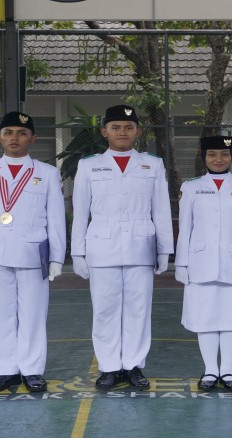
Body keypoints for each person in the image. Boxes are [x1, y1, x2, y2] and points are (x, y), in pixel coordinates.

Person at [71, 104, 173, 391]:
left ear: (138, 132)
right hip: (102, 245)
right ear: (104, 132)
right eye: (115, 127)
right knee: (105, 309)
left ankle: (133, 366)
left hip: (141, 244)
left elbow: (161, 209)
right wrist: (77, 251)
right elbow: (80, 211)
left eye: (129, 127)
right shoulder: (89, 165)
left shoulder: (152, 164)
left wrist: (164, 249)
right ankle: (109, 367)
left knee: (138, 310)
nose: (122, 132)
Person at [0, 112, 66, 393]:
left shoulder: (47, 173)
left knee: (33, 315)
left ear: (32, 139)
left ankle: (32, 370)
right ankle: (4, 371)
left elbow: (56, 218)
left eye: (22, 133)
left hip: (33, 253)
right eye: (8, 132)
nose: (15, 138)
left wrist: (57, 257)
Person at [175, 135, 232, 391]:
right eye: (212, 154)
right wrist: (181, 263)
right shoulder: (191, 187)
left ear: (231, 156)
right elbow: (185, 227)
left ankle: (228, 371)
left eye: (224, 154)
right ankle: (210, 370)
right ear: (203, 156)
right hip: (200, 262)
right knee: (205, 318)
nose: (218, 159)